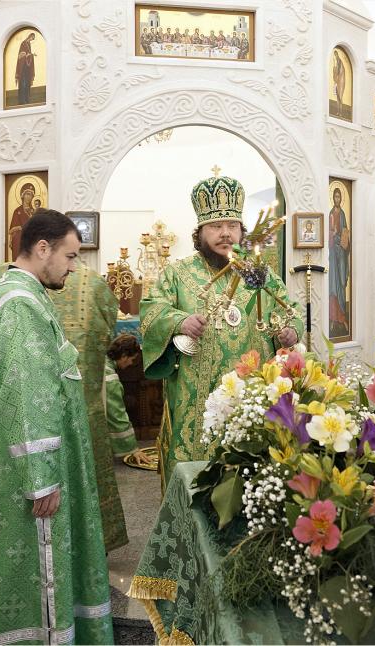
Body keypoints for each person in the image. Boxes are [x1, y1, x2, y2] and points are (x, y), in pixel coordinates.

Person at [0, 210, 113, 644]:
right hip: (29, 470)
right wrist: (41, 479)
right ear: (42, 248)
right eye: (69, 257)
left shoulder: (14, 292)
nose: (72, 268)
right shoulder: (21, 305)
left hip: (7, 459)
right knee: (34, 569)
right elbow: (28, 393)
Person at [140, 175, 303, 485]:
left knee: (250, 476)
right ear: (200, 232)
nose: (225, 233)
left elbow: (290, 311)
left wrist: (290, 332)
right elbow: (150, 311)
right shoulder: (177, 273)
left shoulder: (259, 274)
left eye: (232, 225)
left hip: (251, 397)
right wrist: (180, 321)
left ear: (242, 231)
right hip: (195, 400)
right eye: (216, 226)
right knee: (195, 480)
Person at [0, 259, 133, 554]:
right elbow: (106, 335)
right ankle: (85, 549)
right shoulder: (95, 284)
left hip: (19, 404)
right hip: (81, 404)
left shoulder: (2, 278)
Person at [104, 334, 154, 467]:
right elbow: (116, 415)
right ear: (124, 355)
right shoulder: (110, 379)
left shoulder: (102, 363)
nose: (131, 363)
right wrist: (132, 449)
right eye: (132, 359)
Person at [329, 187, 351, 338]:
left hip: (341, 253)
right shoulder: (330, 214)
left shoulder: (342, 214)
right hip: (332, 254)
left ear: (341, 198)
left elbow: (346, 233)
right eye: (335, 197)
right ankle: (333, 318)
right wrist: (333, 234)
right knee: (333, 285)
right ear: (333, 198)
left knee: (342, 283)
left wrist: (344, 237)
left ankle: (342, 317)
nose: (337, 199)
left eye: (339, 197)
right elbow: (327, 233)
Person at [8, 182, 36, 259]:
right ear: (22, 195)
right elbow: (11, 230)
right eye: (27, 194)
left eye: (31, 195)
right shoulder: (17, 211)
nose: (29, 197)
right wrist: (21, 227)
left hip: (30, 239)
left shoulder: (33, 212)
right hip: (18, 240)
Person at [15, 31, 37, 105]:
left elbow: (28, 54)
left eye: (33, 39)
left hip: (27, 68)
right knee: (23, 83)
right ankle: (22, 100)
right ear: (30, 36)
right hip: (23, 67)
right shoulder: (23, 43)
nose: (32, 40)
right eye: (32, 38)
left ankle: (27, 99)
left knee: (27, 83)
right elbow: (21, 55)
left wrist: (31, 55)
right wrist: (28, 55)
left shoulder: (28, 44)